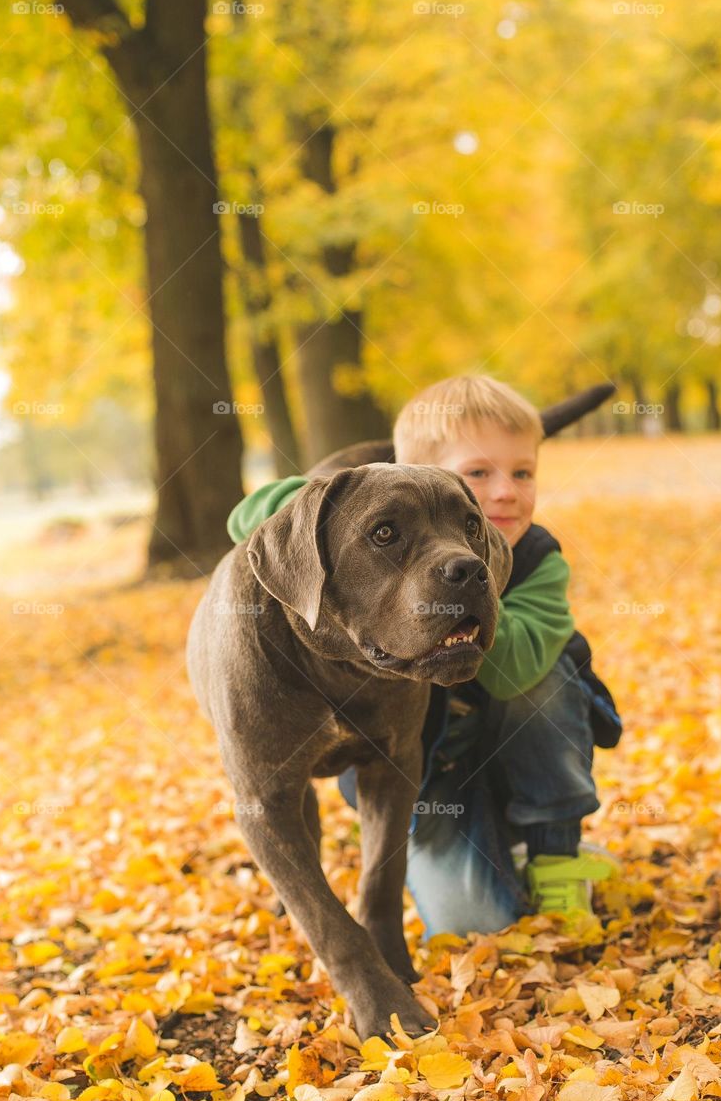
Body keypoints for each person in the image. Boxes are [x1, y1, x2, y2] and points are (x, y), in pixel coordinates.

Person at [226, 375, 622, 939]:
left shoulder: (538, 561)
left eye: (523, 472)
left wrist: (459, 611)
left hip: (526, 761)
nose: (505, 491)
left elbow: (516, 672)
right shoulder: (372, 536)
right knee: (474, 926)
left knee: (547, 677)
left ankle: (557, 850)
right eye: (477, 475)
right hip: (434, 782)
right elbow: (248, 515)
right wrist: (325, 517)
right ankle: (499, 845)